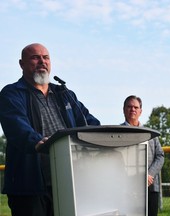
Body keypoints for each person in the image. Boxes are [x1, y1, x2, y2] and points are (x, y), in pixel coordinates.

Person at [0, 43, 101, 216]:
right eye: (35, 57)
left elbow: (88, 121)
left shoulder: (65, 94)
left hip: (67, 182)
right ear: (21, 64)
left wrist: (104, 136)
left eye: (45, 57)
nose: (42, 61)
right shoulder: (12, 93)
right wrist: (37, 142)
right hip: (29, 185)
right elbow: (17, 125)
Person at [121, 95, 164, 216]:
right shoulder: (117, 133)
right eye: (129, 107)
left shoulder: (151, 134)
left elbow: (160, 156)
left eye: (136, 107)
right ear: (124, 109)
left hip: (150, 187)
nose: (132, 109)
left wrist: (149, 174)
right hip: (127, 188)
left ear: (140, 111)